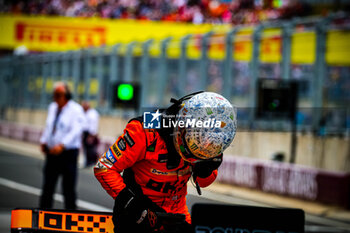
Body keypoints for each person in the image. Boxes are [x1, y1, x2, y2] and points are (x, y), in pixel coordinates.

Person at [94, 91, 237, 233]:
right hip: (139, 213)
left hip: (177, 215)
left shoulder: (210, 143)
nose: (194, 156)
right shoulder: (144, 130)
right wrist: (131, 203)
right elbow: (104, 167)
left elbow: (203, 182)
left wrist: (206, 170)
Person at [39, 81, 85, 210]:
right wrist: (44, 141)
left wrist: (62, 145)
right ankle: (44, 214)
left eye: (59, 94)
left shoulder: (76, 110)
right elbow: (49, 127)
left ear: (67, 95)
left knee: (68, 188)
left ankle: (71, 217)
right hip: (52, 153)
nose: (56, 97)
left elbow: (76, 130)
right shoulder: (52, 107)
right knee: (48, 186)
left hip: (68, 154)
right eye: (55, 94)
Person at [81, 101, 100, 167]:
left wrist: (90, 136)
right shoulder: (86, 113)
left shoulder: (92, 114)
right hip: (86, 132)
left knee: (90, 149)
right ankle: (88, 162)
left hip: (90, 133)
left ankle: (91, 162)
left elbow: (93, 125)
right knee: (87, 148)